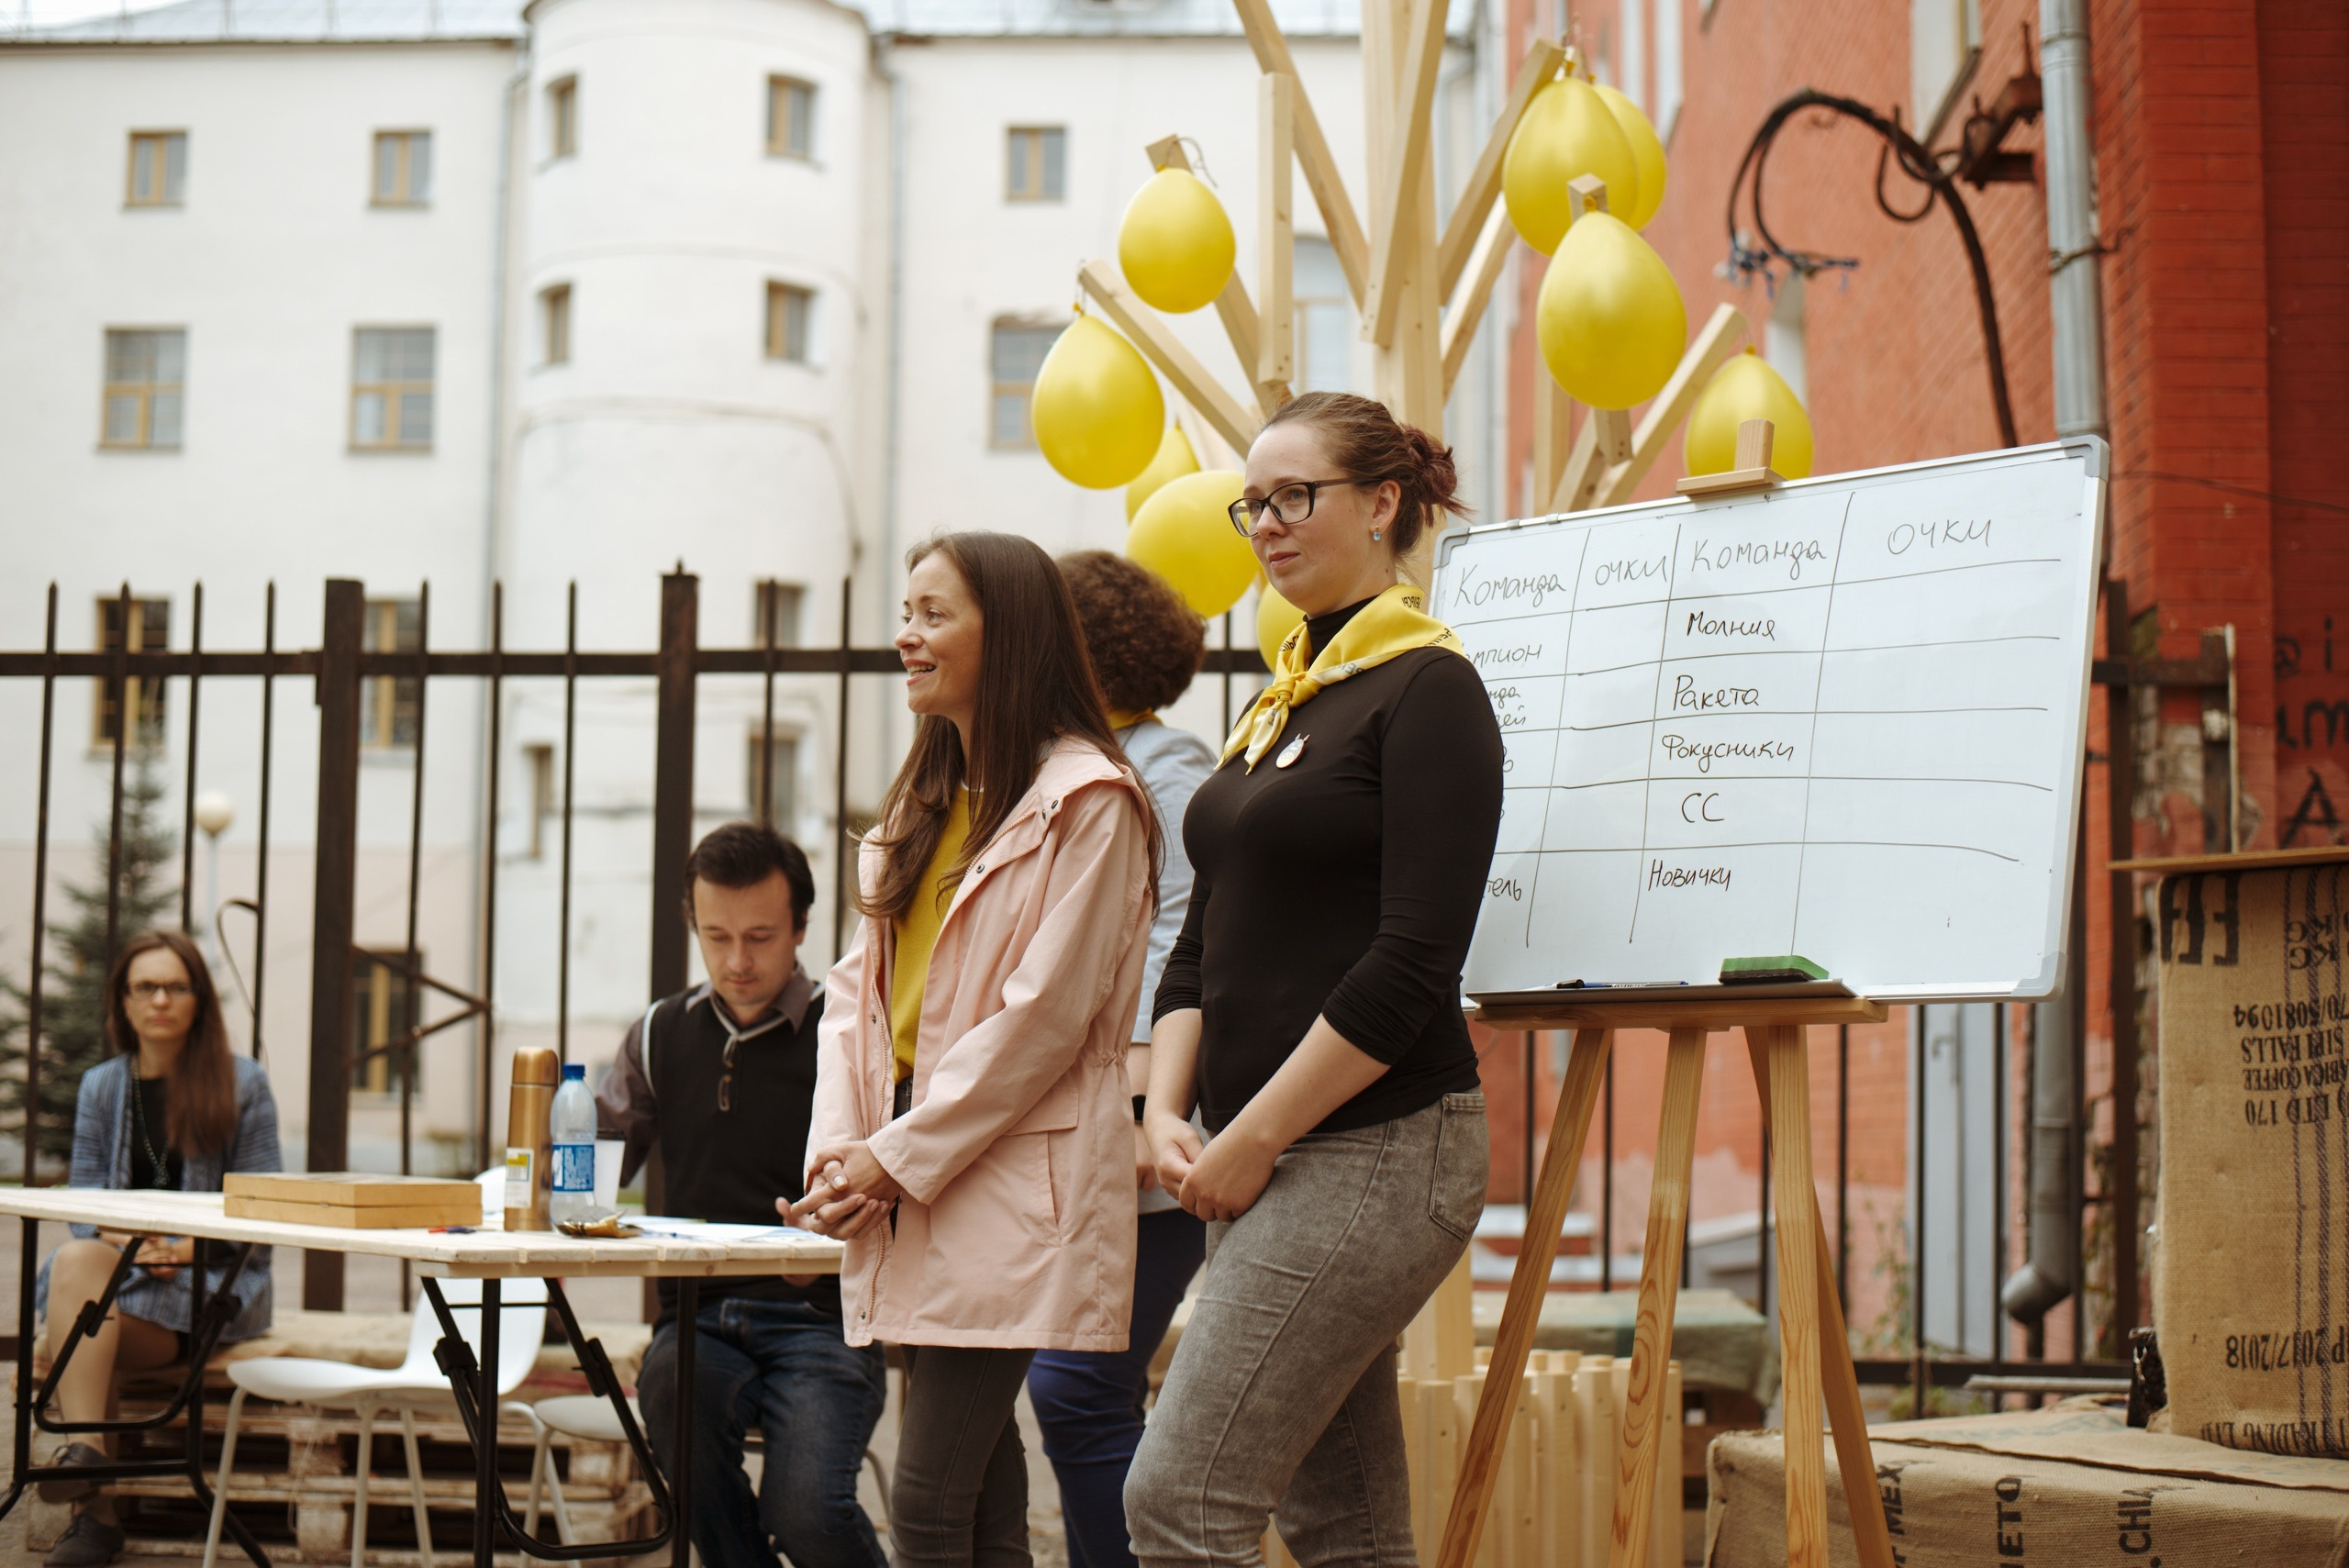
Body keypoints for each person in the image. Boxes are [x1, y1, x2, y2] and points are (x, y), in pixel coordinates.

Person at [1126, 391, 1504, 1568]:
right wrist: (1163, 1110)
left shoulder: (1429, 689)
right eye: (1255, 503)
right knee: (1345, 1528)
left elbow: (1408, 967)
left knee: (1177, 1499)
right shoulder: (1282, 695)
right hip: (1271, 1148)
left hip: (1382, 1148)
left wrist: (1252, 1138)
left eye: (1296, 495)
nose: (1267, 525)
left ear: (1382, 502)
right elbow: (1201, 942)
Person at [789, 530, 1160, 1568]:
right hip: (908, 1155)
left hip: (991, 1165)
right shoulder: (920, 798)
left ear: (1014, 631)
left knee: (928, 1499)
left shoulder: (1090, 801)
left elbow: (1043, 1021)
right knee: (985, 1495)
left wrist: (892, 1156)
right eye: (906, 612)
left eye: (933, 613)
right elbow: (855, 997)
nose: (906, 636)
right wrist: (841, 1148)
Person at [597, 822, 887, 1568]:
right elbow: (590, 1170)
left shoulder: (847, 1033)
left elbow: (900, 1173)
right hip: (696, 1319)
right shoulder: (661, 1034)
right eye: (716, 935)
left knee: (808, 1514)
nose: (737, 961)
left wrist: (841, 1225)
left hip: (823, 1322)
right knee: (671, 1394)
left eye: (760, 936)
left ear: (800, 926)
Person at [1026, 551, 1215, 1568]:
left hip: (1149, 1126)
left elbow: (1183, 927)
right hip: (1096, 1124)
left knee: (1077, 1386)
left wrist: (1151, 1097)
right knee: (1076, 1389)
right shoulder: (1086, 764)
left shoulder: (1164, 765)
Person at [39, 930, 281, 1568]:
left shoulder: (243, 1082)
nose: (161, 999)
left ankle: (91, 1513)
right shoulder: (101, 1086)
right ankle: (90, 1468)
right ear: (122, 1002)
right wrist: (121, 1238)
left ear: (198, 998)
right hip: (122, 1279)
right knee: (75, 1262)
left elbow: (263, 1208)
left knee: (82, 1332)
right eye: (145, 986)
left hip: (210, 1287)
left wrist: (185, 1245)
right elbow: (82, 1207)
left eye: (176, 985)